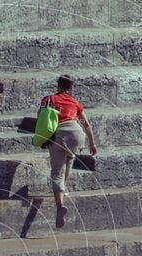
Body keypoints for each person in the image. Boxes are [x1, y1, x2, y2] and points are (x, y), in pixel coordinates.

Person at [40, 75, 97, 228]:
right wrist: (92, 143)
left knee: (57, 170)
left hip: (59, 133)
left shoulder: (49, 99)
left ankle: (60, 206)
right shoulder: (76, 102)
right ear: (71, 88)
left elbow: (41, 117)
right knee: (69, 157)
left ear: (58, 85)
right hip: (77, 134)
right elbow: (87, 125)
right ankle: (63, 189)